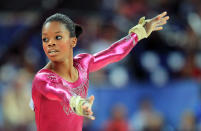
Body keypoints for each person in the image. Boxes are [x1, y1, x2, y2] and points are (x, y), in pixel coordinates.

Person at [31, 12, 169, 131]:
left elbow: (113, 53)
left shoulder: (82, 64)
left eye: (58, 37)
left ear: (72, 41)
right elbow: (58, 92)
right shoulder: (43, 78)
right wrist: (76, 102)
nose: (51, 43)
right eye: (45, 39)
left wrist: (138, 33)